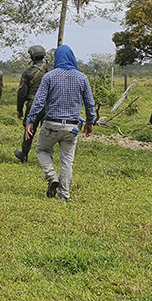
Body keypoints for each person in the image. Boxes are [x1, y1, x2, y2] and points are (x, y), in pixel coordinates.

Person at [24, 44, 96, 201]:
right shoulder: (82, 78)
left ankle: (52, 177)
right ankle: (64, 195)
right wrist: (90, 122)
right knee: (67, 161)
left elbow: (38, 102)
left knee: (42, 150)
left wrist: (30, 121)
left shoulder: (49, 77)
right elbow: (90, 103)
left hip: (51, 124)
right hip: (72, 127)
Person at [14, 45, 53, 162]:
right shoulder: (51, 68)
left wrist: (19, 109)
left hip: (33, 103)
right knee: (48, 130)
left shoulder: (28, 72)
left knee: (29, 128)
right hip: (50, 104)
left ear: (31, 56)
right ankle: (48, 155)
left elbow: (22, 92)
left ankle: (24, 153)